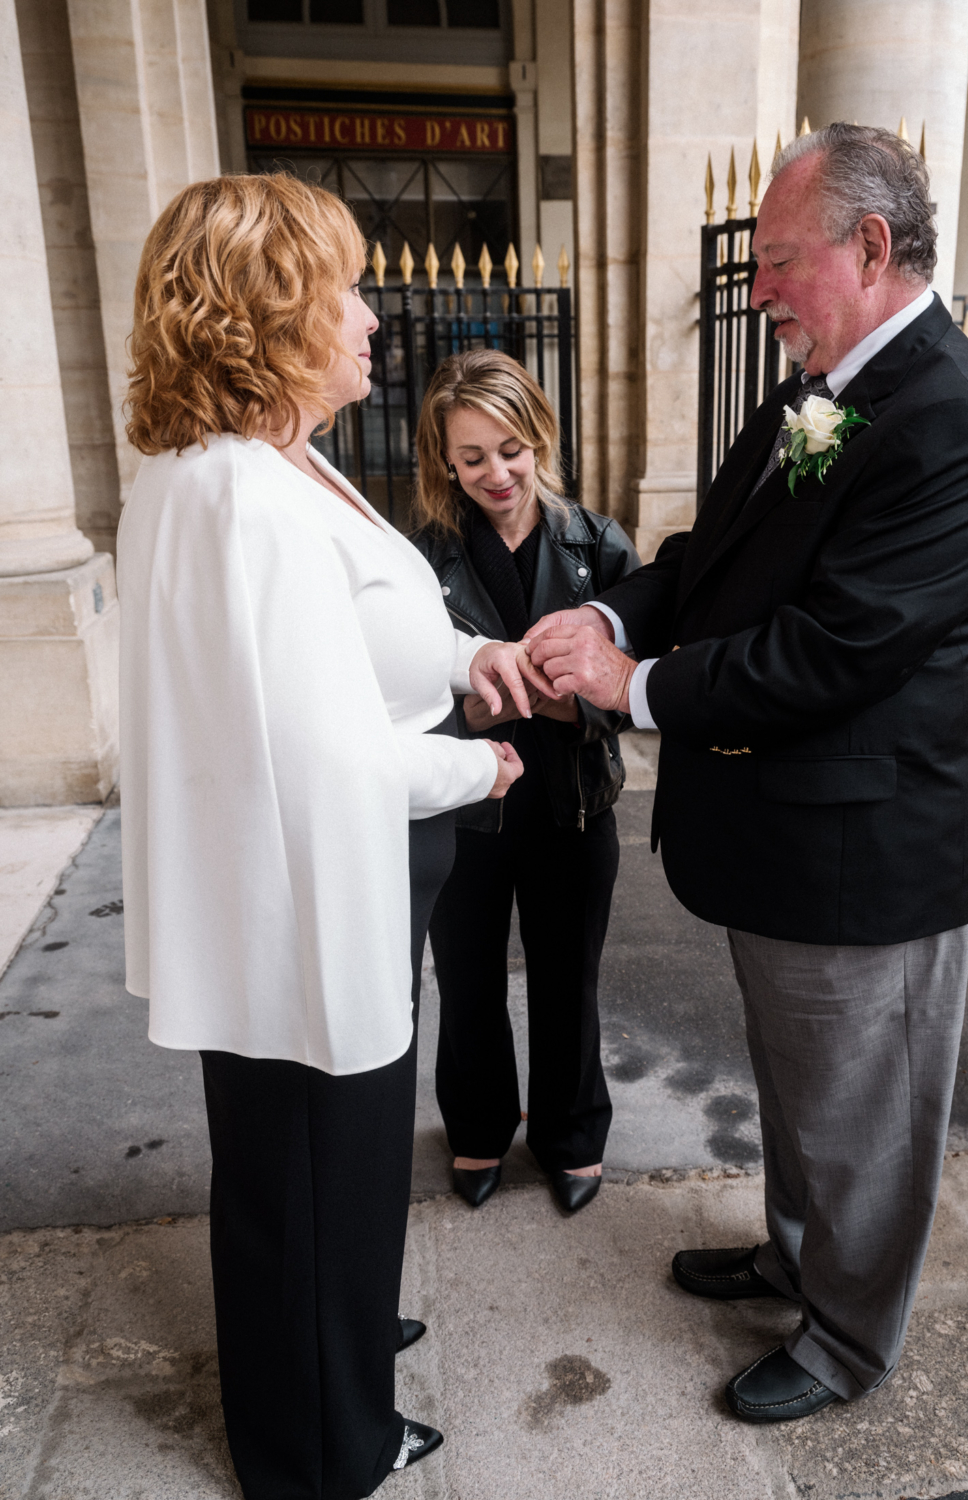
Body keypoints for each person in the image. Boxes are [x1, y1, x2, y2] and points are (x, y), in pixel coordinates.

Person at [526, 125, 968, 1423]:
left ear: (869, 248)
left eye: (776, 260)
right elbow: (728, 553)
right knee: (806, 1089)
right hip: (783, 842)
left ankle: (847, 1339)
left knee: (862, 1118)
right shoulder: (834, 390)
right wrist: (621, 617)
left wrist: (628, 690)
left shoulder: (954, 422)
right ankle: (796, 1260)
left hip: (864, 859)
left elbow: (833, 650)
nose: (757, 291)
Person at [117, 174, 535, 1498]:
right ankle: (321, 1445)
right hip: (310, 878)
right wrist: (477, 766)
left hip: (304, 876)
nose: (370, 318)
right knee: (310, 1167)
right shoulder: (248, 490)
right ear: (267, 311)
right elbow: (327, 754)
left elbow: (364, 638)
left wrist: (470, 654)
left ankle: (336, 1335)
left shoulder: (252, 468)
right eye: (342, 290)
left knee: (318, 1166)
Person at [412, 350, 640, 1213]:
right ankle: (476, 1128)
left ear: (537, 435)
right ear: (445, 462)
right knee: (466, 980)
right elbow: (401, 700)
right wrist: (467, 717)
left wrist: (564, 707)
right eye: (471, 458)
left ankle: (570, 1133)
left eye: (509, 448)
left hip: (570, 802)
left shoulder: (598, 544)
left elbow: (634, 690)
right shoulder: (417, 558)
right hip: (462, 802)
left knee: (565, 977)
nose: (495, 473)